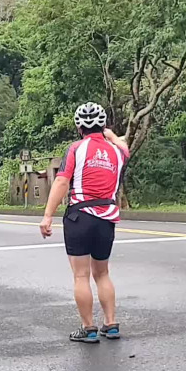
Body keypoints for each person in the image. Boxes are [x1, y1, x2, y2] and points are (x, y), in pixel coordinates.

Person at [39, 102, 129, 343]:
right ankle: (111, 324)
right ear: (103, 125)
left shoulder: (76, 148)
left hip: (79, 217)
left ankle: (88, 328)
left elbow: (61, 182)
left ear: (79, 128)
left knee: (81, 276)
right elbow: (124, 146)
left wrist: (48, 215)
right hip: (106, 219)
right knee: (102, 273)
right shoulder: (117, 153)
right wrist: (111, 135)